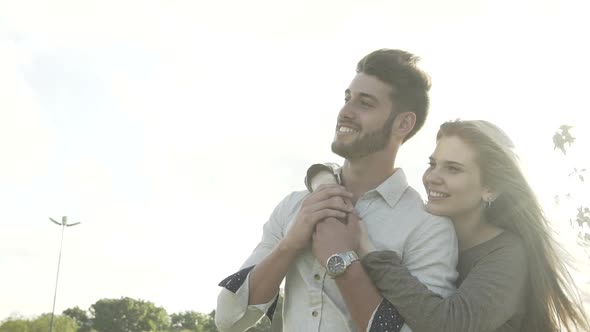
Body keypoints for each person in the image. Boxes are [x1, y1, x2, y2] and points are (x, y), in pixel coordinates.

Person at [215, 49, 458, 332]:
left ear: (403, 123)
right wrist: (290, 243)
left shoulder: (429, 229)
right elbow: (229, 320)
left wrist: (341, 260)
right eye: (347, 99)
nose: (345, 112)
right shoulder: (295, 206)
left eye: (365, 104)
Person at [309, 120, 590, 332]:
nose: (433, 177)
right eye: (433, 164)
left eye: (453, 169)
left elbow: (448, 324)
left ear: (490, 188)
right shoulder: (427, 233)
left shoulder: (509, 255)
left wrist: (367, 249)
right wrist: (323, 178)